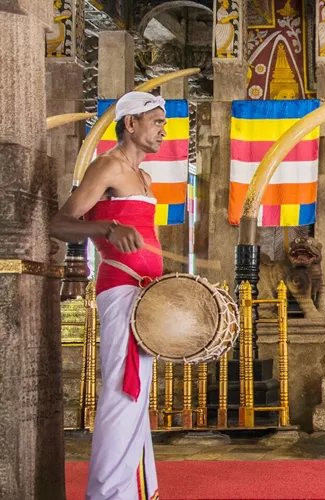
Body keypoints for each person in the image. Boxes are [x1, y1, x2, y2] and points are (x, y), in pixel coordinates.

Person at [50, 91, 167, 500]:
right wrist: (104, 229)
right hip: (120, 289)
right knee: (123, 389)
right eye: (155, 122)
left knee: (137, 394)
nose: (162, 130)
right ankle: (107, 494)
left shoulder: (146, 179)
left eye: (163, 123)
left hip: (147, 295)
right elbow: (60, 223)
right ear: (130, 124)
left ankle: (135, 490)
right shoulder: (107, 167)